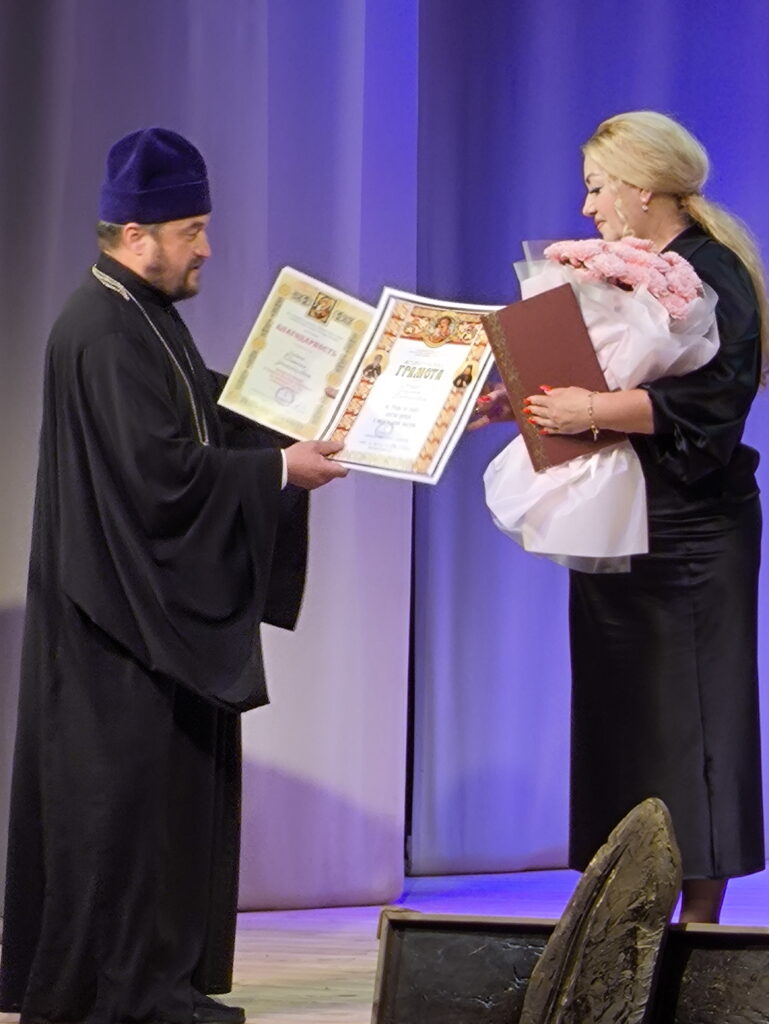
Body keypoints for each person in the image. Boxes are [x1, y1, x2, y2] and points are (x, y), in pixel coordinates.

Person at [0, 128, 346, 1024]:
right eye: (191, 230)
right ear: (135, 234)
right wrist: (279, 469)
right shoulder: (104, 330)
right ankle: (128, 993)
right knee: (125, 812)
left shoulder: (139, 315)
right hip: (117, 628)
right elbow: (159, 477)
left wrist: (301, 414)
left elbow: (204, 411)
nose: (206, 248)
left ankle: (156, 983)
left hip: (134, 612)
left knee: (155, 806)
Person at [477, 111, 766, 924]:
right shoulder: (625, 271)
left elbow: (711, 405)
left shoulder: (713, 272)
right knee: (621, 720)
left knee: (695, 723)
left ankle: (698, 926)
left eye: (597, 188)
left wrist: (594, 407)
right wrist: (524, 401)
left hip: (691, 536)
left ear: (643, 189)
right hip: (618, 527)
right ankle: (624, 908)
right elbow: (595, 378)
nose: (587, 207)